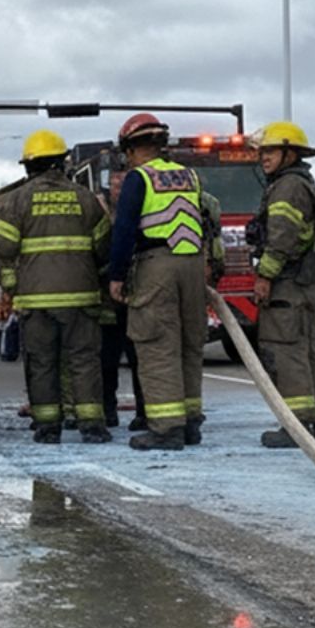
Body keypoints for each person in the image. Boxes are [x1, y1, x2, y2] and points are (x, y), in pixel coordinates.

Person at [0, 129, 112, 444]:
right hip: (82, 298)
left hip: (37, 301)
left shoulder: (16, 201)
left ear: (28, 166)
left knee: (42, 362)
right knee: (84, 360)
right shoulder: (85, 199)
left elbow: (4, 251)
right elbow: (104, 248)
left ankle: (47, 427)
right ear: (62, 163)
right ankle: (92, 425)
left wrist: (10, 289)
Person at [108, 114, 207, 451]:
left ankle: (166, 428)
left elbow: (123, 230)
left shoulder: (139, 178)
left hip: (157, 266)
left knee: (157, 345)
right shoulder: (190, 175)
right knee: (189, 343)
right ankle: (191, 422)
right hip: (193, 263)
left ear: (131, 149)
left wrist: (116, 276)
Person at [249, 121, 315, 447]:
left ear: (289, 153)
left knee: (287, 353)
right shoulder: (301, 184)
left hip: (289, 283)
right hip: (305, 282)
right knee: (306, 352)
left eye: (270, 151)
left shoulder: (288, 188)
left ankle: (296, 428)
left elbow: (281, 237)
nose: (263, 157)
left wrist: (265, 275)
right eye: (262, 151)